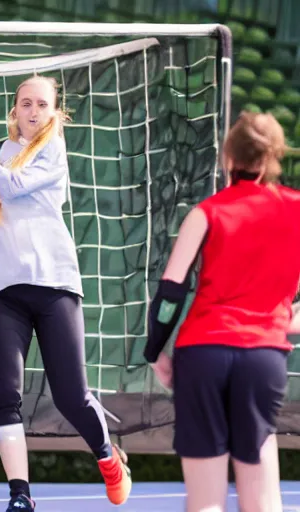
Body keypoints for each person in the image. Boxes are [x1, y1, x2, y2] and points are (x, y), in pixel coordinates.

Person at [0, 75, 132, 511]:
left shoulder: (53, 150)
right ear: (14, 110)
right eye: (25, 103)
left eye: (41, 104)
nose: (33, 110)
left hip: (55, 285)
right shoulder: (4, 155)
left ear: (54, 112)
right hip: (4, 290)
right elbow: (4, 186)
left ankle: (109, 459)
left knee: (71, 396)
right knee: (6, 395)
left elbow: (15, 185)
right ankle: (21, 496)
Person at [143, 111, 300, 512]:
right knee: (263, 499)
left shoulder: (206, 212)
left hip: (203, 355)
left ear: (227, 158)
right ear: (273, 157)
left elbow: (170, 294)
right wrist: (286, 319)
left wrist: (154, 352)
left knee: (206, 500)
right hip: (264, 358)